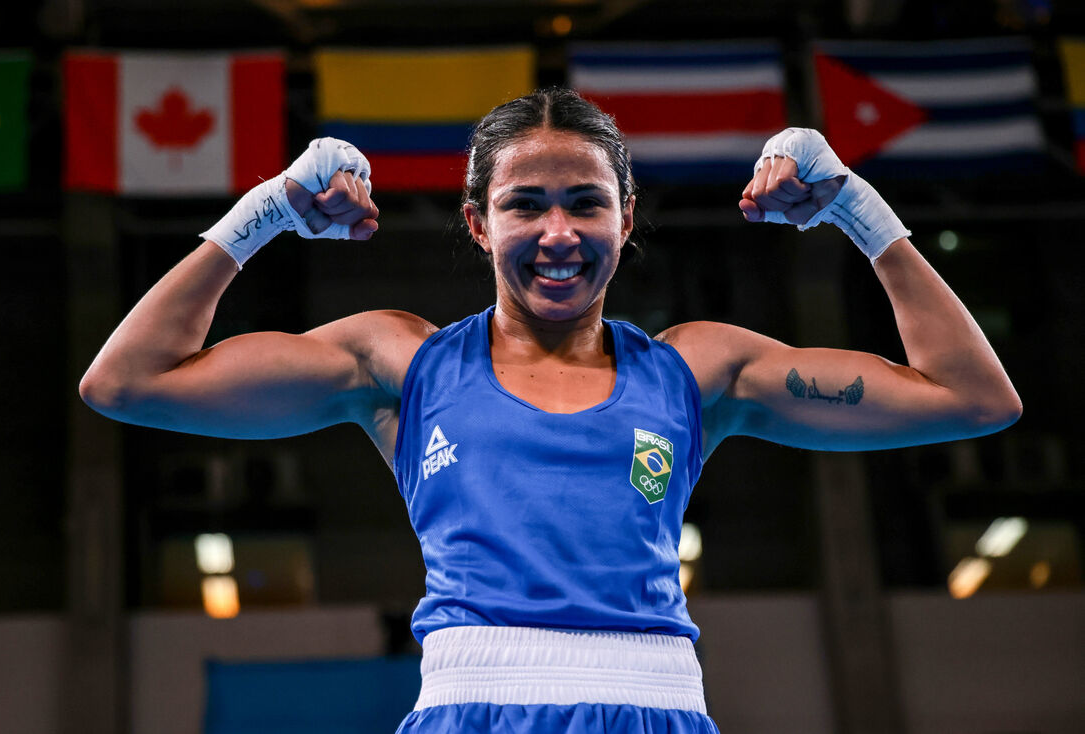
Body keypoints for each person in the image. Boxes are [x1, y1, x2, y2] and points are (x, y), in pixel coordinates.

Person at [79, 88, 1021, 733]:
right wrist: (270, 207)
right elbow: (126, 380)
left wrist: (856, 206)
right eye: (527, 205)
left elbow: (973, 397)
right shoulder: (398, 361)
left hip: (658, 707)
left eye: (586, 204)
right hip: (471, 706)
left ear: (627, 217)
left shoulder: (700, 371)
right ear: (478, 221)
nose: (559, 234)